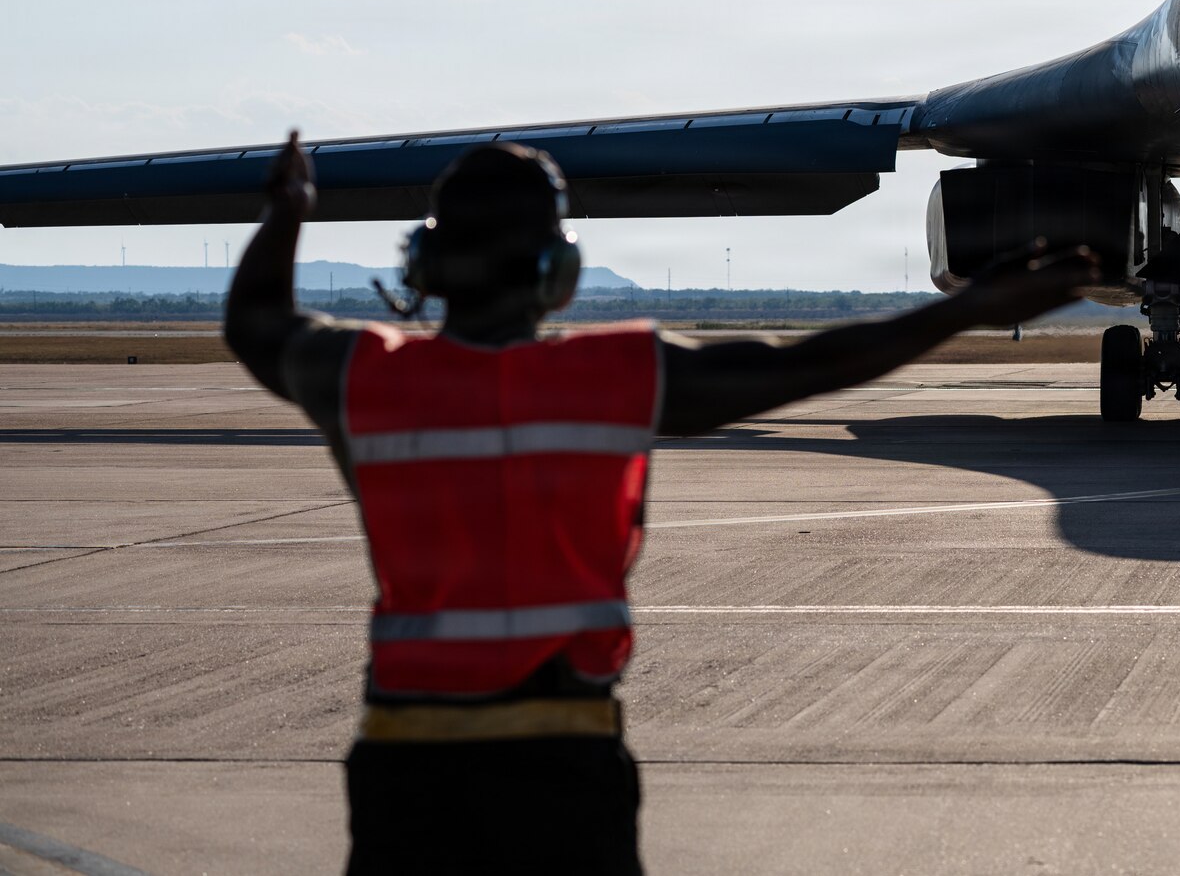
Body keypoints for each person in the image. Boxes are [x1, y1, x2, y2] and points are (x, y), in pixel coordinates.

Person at [224, 132, 1097, 875]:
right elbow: (811, 364)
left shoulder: (360, 378)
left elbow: (256, 324)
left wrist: (289, 212)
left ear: (425, 265)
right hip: (562, 765)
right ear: (557, 271)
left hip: (404, 771)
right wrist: (972, 308)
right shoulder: (616, 375)